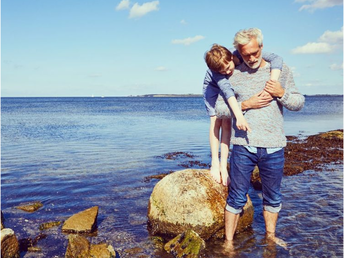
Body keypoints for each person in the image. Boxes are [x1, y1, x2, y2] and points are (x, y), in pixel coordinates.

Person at [223, 28, 305, 246]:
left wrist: (281, 93)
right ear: (238, 52)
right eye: (245, 54)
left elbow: (298, 102)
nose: (250, 58)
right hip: (242, 146)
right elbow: (218, 110)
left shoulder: (279, 70)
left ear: (261, 47)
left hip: (273, 147)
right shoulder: (233, 73)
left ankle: (270, 239)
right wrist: (245, 104)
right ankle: (228, 244)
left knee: (273, 198)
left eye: (254, 53)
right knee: (236, 198)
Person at [203, 44, 283, 186]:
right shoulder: (218, 73)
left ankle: (223, 166)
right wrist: (239, 116)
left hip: (228, 88)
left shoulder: (243, 54)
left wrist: (272, 83)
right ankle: (215, 163)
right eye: (223, 71)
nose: (227, 72)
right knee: (216, 120)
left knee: (227, 122)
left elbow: (276, 58)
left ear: (231, 57)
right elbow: (228, 92)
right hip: (212, 87)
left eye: (228, 67)